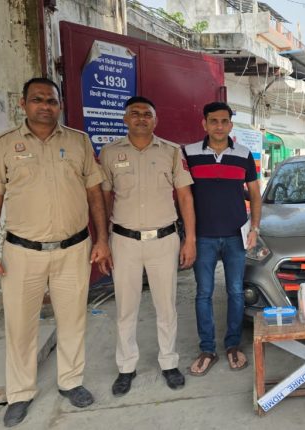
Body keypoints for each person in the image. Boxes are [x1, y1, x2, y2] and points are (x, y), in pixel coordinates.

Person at [0, 77, 110, 427]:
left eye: (51, 101)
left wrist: (102, 239)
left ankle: (71, 381)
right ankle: (20, 393)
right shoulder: (4, 144)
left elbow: (94, 193)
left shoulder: (79, 142)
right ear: (23, 104)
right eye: (37, 100)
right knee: (21, 326)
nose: (45, 106)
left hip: (73, 248)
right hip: (23, 252)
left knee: (73, 320)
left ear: (59, 105)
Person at [98, 96, 196, 396]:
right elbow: (104, 198)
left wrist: (190, 239)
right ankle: (126, 367)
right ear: (125, 119)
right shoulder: (110, 153)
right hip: (124, 241)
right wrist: (103, 239)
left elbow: (185, 196)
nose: (141, 118)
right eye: (135, 113)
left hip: (163, 240)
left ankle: (169, 362)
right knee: (126, 307)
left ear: (155, 120)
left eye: (147, 114)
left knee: (166, 306)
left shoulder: (171, 151)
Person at [182, 102, 261, 376]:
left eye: (224, 121)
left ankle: (232, 345)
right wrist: (189, 237)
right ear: (204, 124)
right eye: (213, 121)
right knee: (203, 293)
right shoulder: (189, 153)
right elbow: (184, 196)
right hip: (203, 236)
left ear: (230, 124)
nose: (219, 126)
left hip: (235, 236)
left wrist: (254, 228)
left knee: (236, 292)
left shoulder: (243, 154)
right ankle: (207, 349)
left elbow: (255, 193)